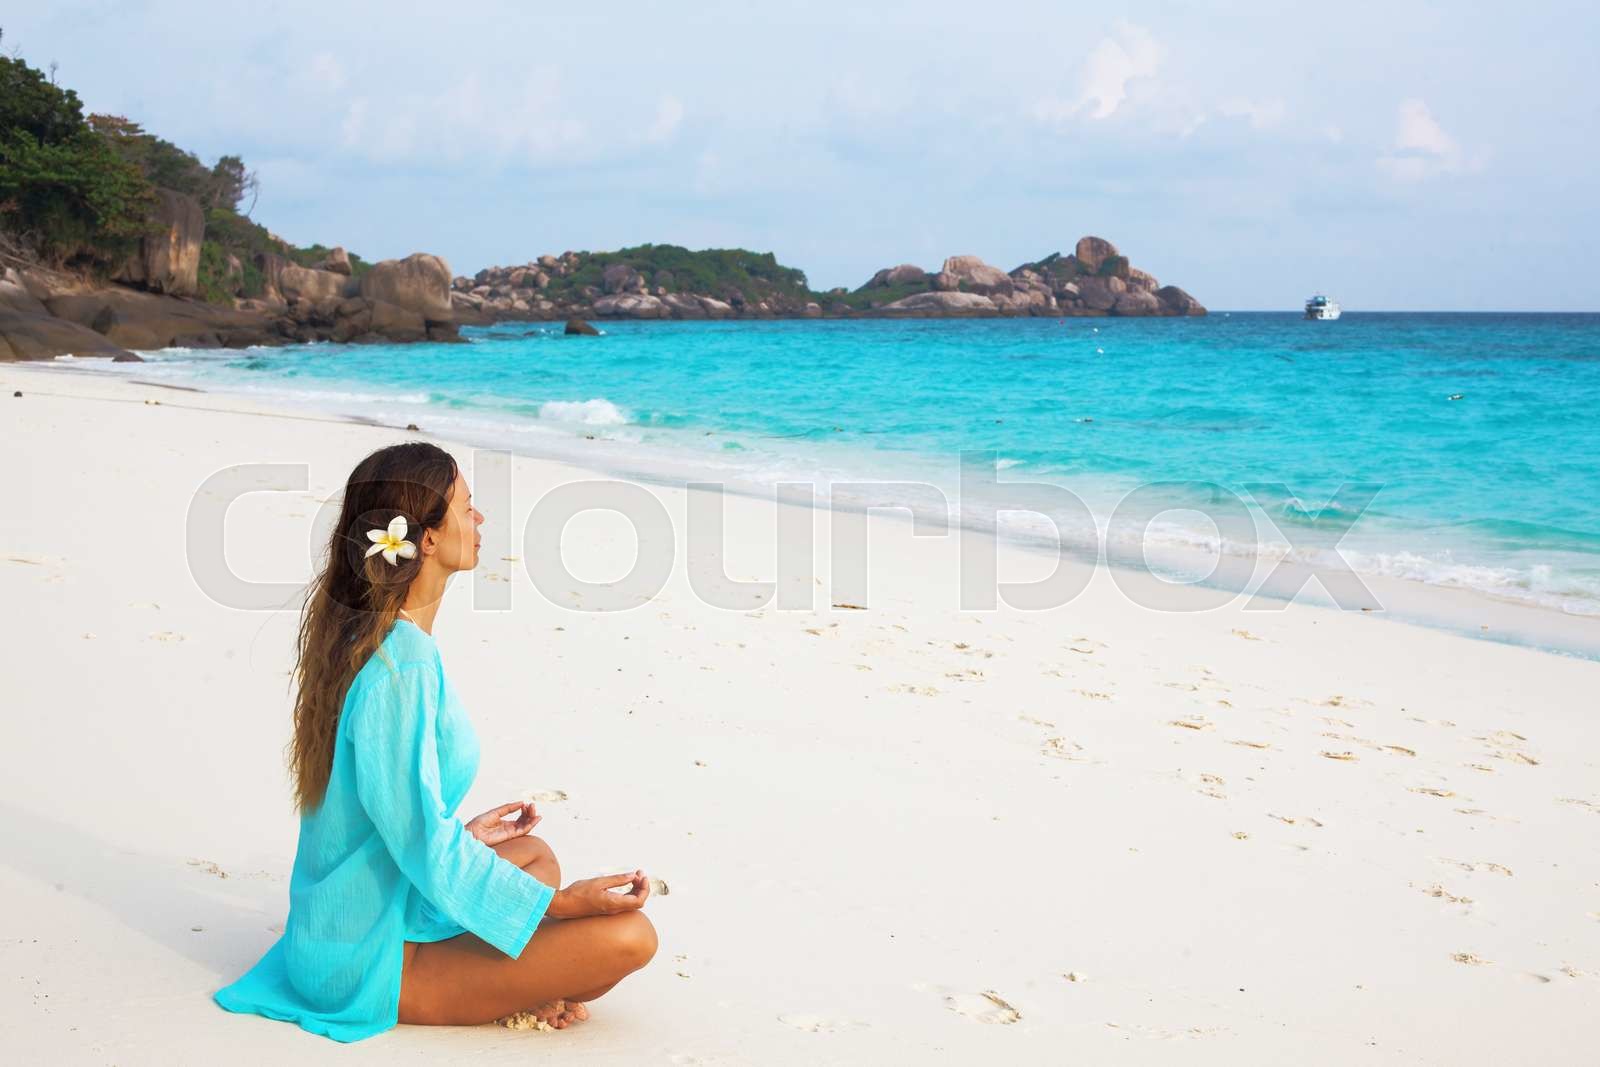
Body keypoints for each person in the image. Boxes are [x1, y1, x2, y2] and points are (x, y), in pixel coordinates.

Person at [213, 442, 656, 1042]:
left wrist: (466, 839)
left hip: (365, 910)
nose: (480, 521)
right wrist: (565, 907)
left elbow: (393, 819)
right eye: (467, 507)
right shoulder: (403, 668)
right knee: (631, 939)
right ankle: (509, 986)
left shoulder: (379, 640)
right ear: (423, 538)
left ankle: (513, 977)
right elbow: (419, 834)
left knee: (536, 858)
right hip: (362, 960)